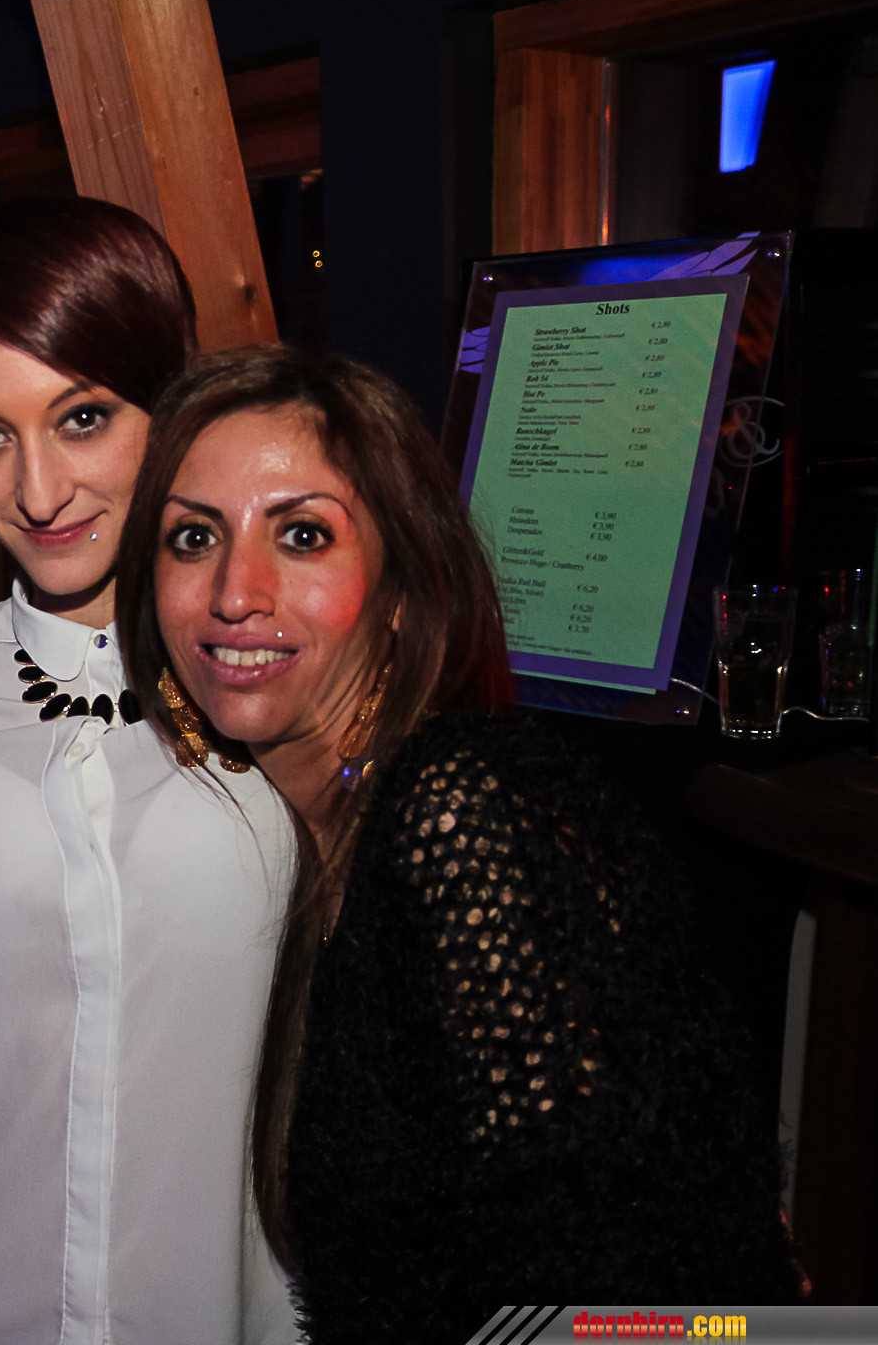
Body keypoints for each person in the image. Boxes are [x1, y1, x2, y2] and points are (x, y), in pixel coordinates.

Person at [109, 345, 802, 1340]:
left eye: (302, 535)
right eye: (192, 537)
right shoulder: (290, 833)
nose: (235, 590)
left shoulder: (458, 811)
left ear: (400, 591)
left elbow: (611, 1288)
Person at [0, 199, 299, 1345]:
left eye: (84, 417)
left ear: (171, 403)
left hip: (222, 1306)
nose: (39, 490)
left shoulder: (282, 677)